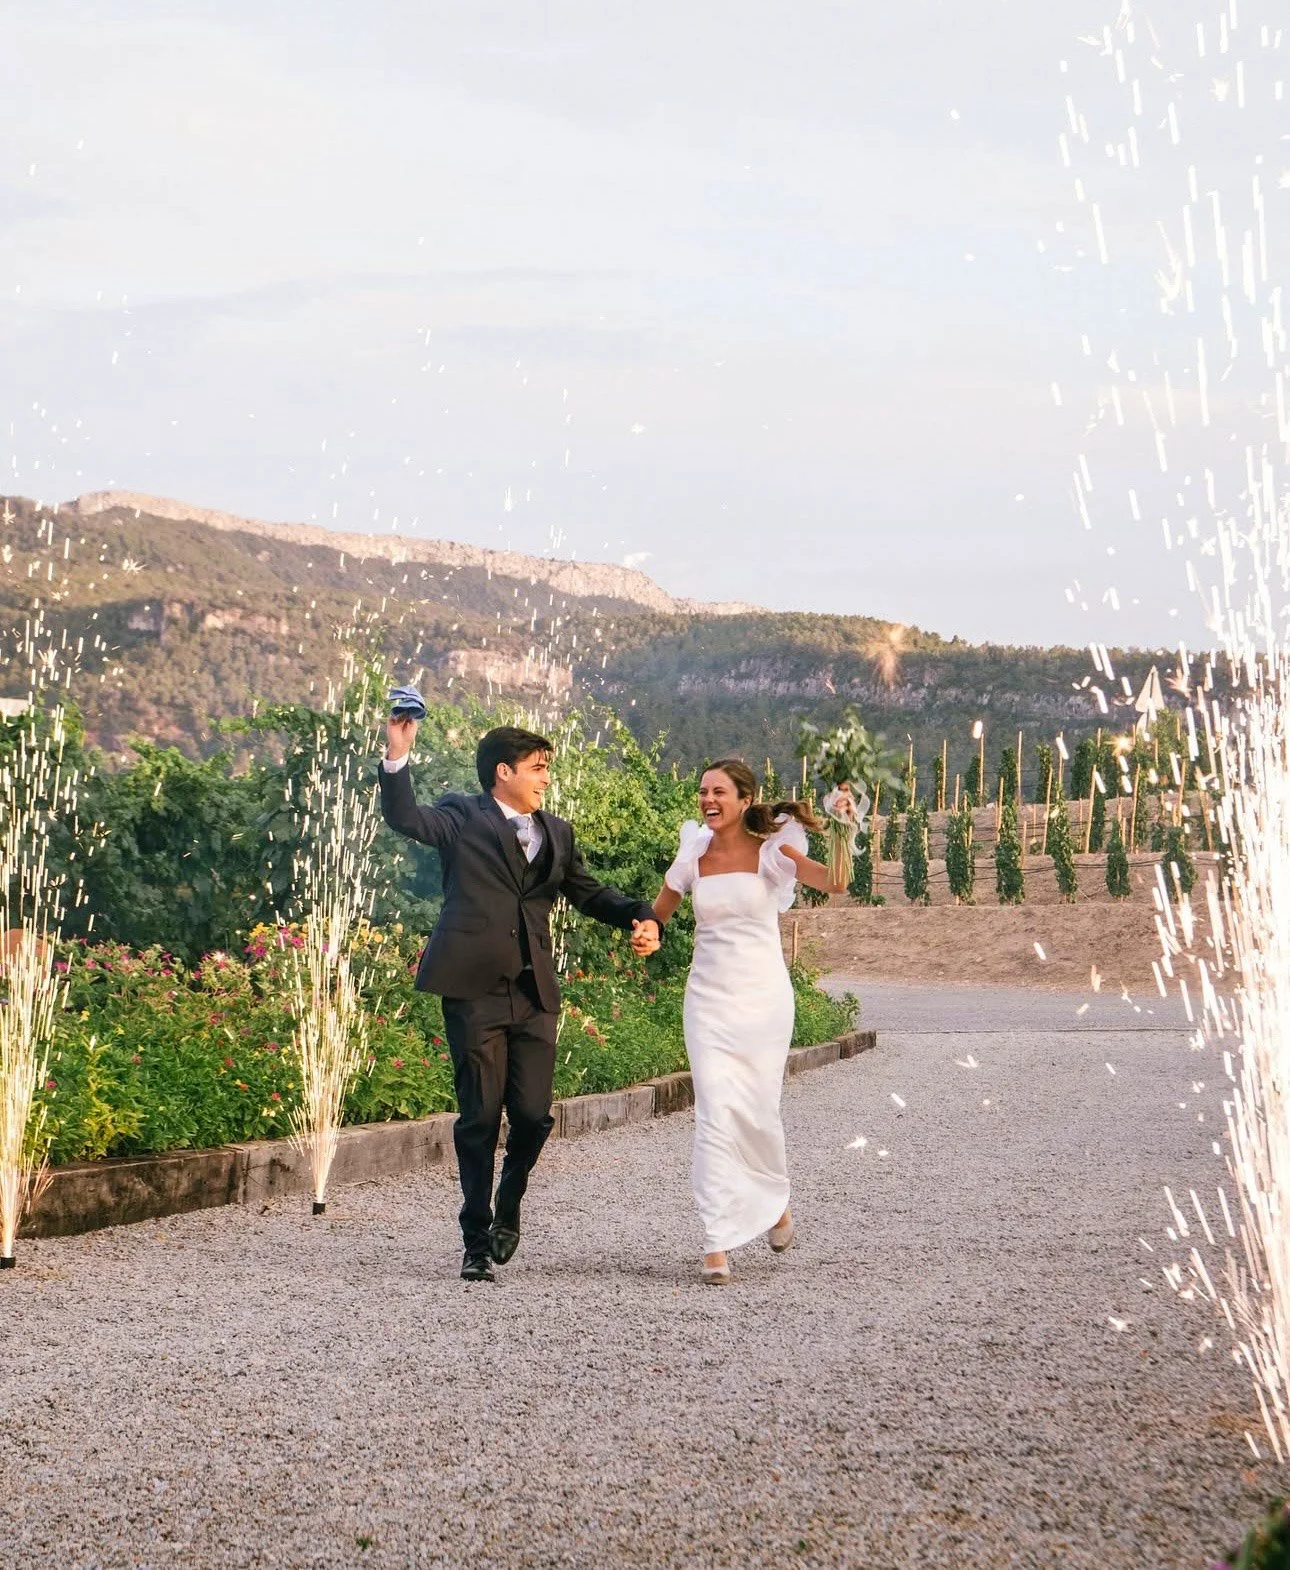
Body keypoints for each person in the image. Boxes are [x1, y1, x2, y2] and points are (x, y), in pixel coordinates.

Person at [379, 716, 661, 1282]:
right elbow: (405, 818)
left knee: (532, 1117)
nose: (545, 780)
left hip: (534, 994)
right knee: (479, 1119)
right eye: (537, 769)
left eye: (547, 769)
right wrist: (396, 755)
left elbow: (588, 892)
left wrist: (641, 914)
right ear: (503, 773)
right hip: (474, 991)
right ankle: (476, 1242)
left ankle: (510, 1200)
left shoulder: (557, 832)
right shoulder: (463, 816)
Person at [649, 759, 843, 1284]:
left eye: (718, 792)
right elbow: (659, 912)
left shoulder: (772, 852)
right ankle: (717, 1242)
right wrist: (647, 932)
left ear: (743, 798)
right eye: (702, 791)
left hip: (763, 1000)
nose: (708, 800)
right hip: (708, 999)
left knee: (758, 1111)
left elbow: (836, 884)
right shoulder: (693, 853)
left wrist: (845, 830)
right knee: (714, 1109)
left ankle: (775, 1203)